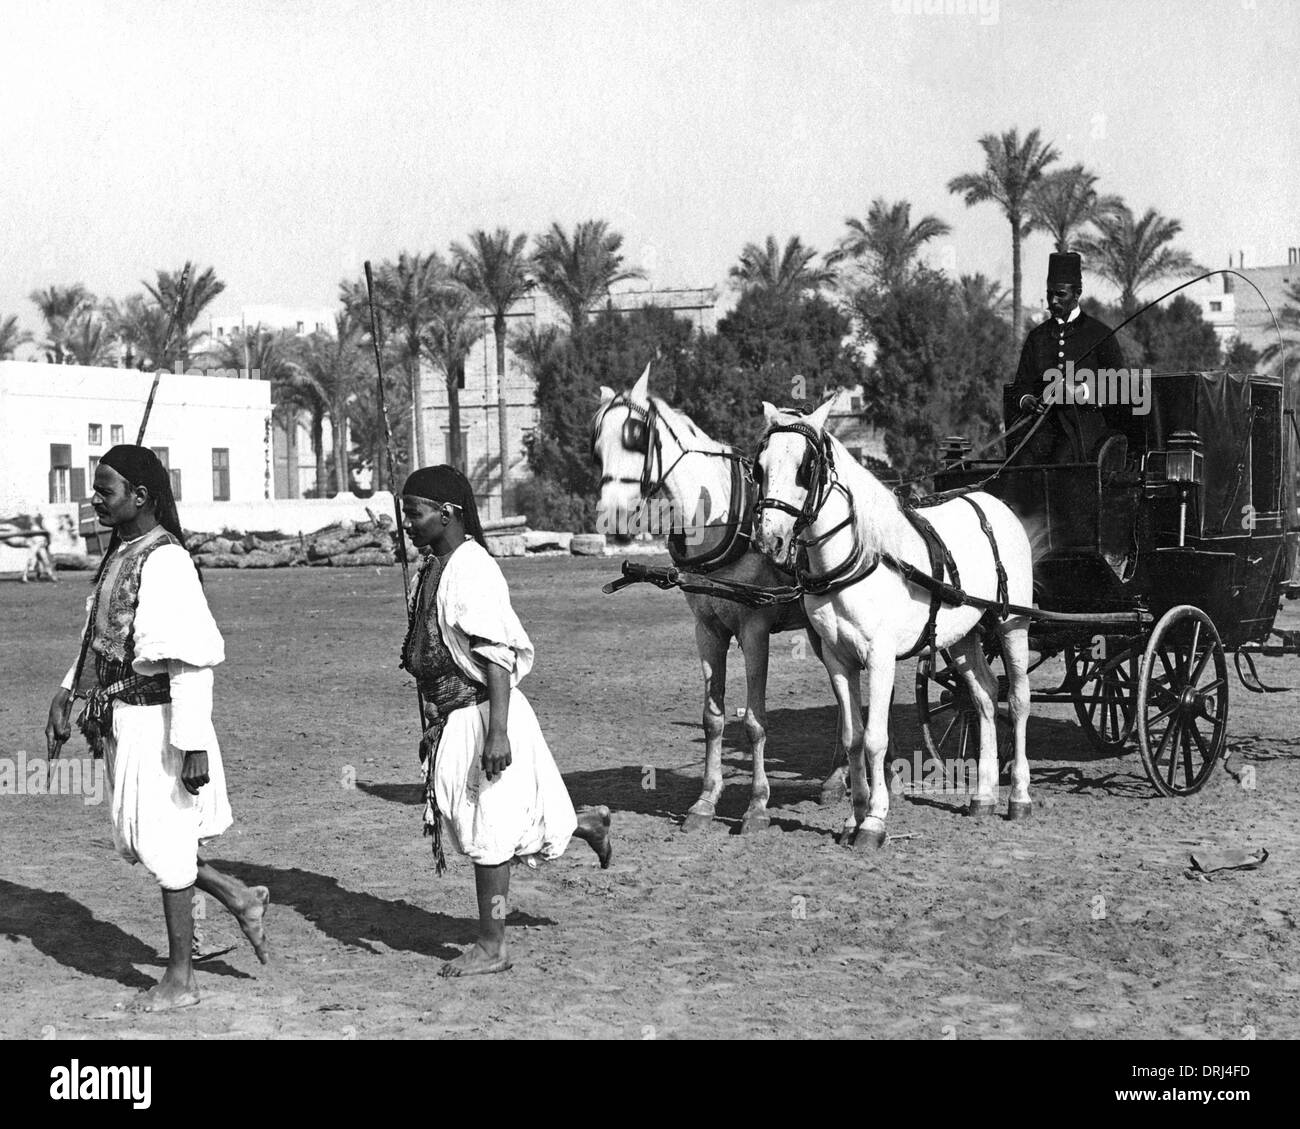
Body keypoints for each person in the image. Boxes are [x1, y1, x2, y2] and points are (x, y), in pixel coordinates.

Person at [44, 445, 269, 1012]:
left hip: (163, 722)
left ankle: (180, 980)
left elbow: (190, 660)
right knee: (143, 840)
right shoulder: (120, 553)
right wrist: (67, 692)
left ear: (140, 496)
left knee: (164, 844)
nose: (95, 497)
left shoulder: (166, 561)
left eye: (106, 490)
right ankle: (237, 895)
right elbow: (102, 641)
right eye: (96, 487)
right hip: (124, 721)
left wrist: (191, 744)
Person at [399, 465, 612, 978]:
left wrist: (497, 731)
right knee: (469, 820)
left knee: (488, 833)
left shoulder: (473, 568)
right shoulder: (431, 565)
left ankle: (492, 946)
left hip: (485, 716)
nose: (407, 525)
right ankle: (584, 823)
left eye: (415, 514)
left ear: (447, 514)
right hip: (450, 719)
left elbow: (497, 659)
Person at [1010, 251, 1131, 464]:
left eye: (1060, 294)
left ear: (1077, 294)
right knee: (1022, 464)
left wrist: (1081, 391)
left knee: (1062, 463)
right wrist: (1026, 400)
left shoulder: (1100, 334)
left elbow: (1120, 385)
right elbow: (1022, 384)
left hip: (1085, 431)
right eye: (1049, 294)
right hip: (1041, 428)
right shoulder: (1036, 337)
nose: (1052, 301)